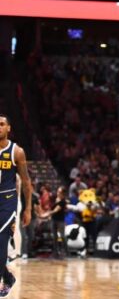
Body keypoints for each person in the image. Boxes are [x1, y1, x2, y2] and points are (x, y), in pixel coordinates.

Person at [0, 115, 32, 297]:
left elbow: (26, 182)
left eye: (2, 124)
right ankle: (8, 277)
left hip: (7, 200)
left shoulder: (17, 151)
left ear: (9, 128)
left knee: (1, 241)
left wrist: (28, 209)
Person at [40, 186, 67, 258]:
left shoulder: (63, 201)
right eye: (58, 191)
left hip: (60, 221)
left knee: (62, 236)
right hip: (54, 220)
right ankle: (55, 252)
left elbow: (56, 210)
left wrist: (46, 215)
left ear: (63, 194)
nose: (58, 193)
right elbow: (51, 208)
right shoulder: (56, 199)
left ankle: (65, 251)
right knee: (54, 236)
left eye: (59, 192)